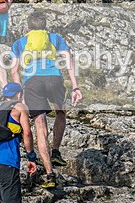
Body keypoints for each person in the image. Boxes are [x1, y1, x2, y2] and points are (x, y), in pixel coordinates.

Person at [9, 12, 83, 167]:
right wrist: (75, 87)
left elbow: (14, 71)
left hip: (32, 82)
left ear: (28, 28)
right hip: (54, 79)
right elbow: (69, 62)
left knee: (40, 123)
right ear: (45, 27)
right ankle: (55, 151)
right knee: (60, 112)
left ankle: (49, 171)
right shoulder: (55, 38)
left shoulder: (19, 43)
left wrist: (20, 93)